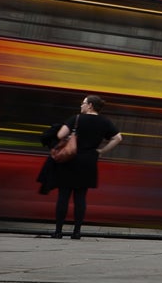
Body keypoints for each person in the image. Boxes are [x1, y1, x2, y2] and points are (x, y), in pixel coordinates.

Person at [41, 94, 122, 239]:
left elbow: (60, 135)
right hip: (89, 161)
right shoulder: (105, 122)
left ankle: (58, 231)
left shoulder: (76, 118)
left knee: (63, 196)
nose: (81, 105)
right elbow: (118, 138)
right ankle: (76, 232)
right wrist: (102, 151)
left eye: (83, 103)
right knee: (81, 198)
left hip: (70, 159)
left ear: (90, 105)